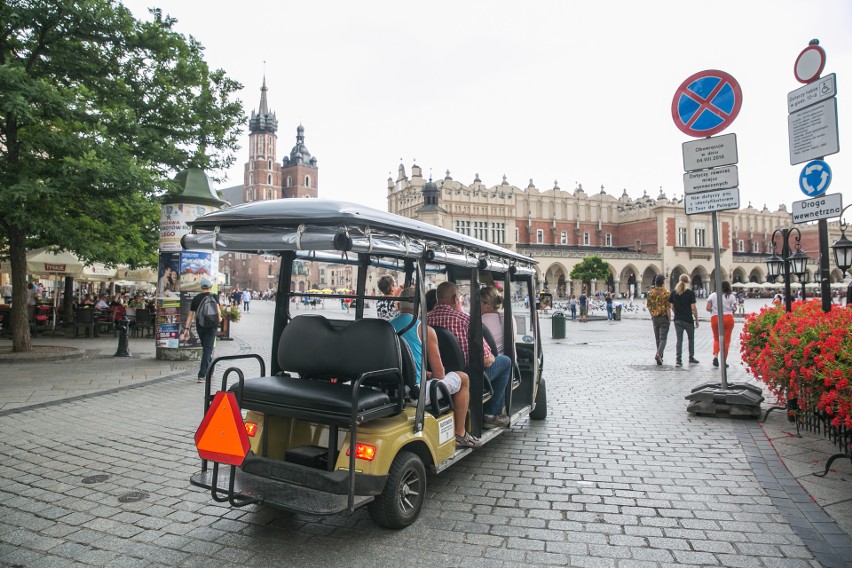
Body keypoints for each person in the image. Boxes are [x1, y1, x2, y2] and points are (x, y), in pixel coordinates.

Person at [392, 288, 479, 448]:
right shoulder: (425, 330)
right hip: (415, 393)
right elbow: (439, 374)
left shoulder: (388, 327)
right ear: (419, 306)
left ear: (399, 305)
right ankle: (460, 433)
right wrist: (428, 374)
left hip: (392, 390)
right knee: (463, 378)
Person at [427, 282, 512, 428]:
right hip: (465, 378)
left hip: (436, 376)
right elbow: (486, 360)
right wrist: (492, 357)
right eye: (460, 297)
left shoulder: (424, 320)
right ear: (455, 299)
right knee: (505, 361)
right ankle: (491, 414)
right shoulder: (464, 320)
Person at [182, 277, 219, 382]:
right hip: (212, 326)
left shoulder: (196, 298)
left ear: (201, 287)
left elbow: (190, 315)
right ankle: (202, 375)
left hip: (200, 326)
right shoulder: (214, 296)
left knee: (206, 349)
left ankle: (210, 369)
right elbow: (218, 312)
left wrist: (186, 329)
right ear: (210, 287)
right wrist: (219, 319)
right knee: (207, 350)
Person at [669, 274, 699, 367]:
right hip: (688, 320)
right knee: (691, 339)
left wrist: (676, 312)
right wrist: (696, 320)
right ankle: (691, 357)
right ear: (688, 281)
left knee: (679, 340)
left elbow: (671, 306)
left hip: (677, 319)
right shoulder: (690, 293)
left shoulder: (674, 293)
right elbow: (693, 308)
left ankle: (678, 360)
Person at [707, 280, 737, 368]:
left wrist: (714, 310)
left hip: (716, 318)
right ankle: (723, 361)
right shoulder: (731, 296)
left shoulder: (713, 295)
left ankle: (715, 355)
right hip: (728, 318)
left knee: (716, 339)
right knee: (726, 340)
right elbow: (735, 308)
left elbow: (708, 308)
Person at [480, 285, 516, 356]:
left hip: (491, 363)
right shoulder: (509, 317)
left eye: (478, 302)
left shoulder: (482, 321)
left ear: (487, 305)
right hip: (511, 361)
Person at [647, 274, 671, 365]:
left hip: (655, 318)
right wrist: (669, 319)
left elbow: (649, 307)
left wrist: (652, 315)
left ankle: (660, 356)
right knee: (663, 338)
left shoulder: (650, 293)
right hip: (664, 317)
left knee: (658, 338)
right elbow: (668, 307)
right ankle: (658, 354)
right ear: (662, 282)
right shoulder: (666, 293)